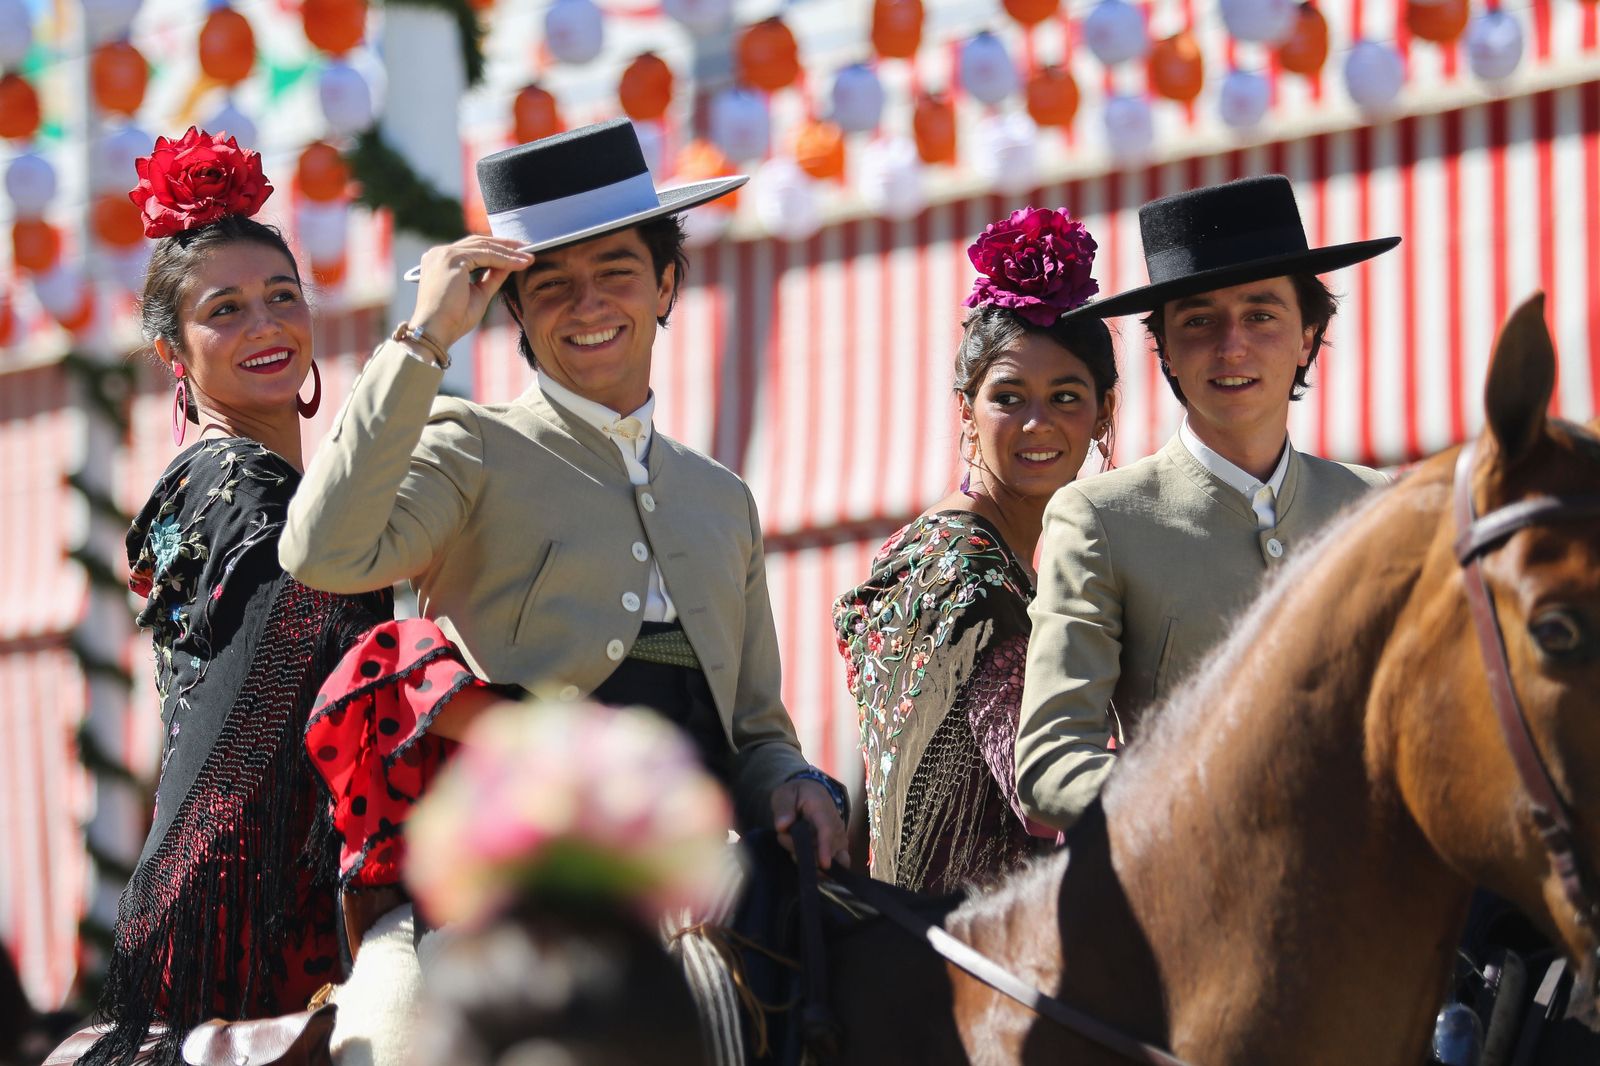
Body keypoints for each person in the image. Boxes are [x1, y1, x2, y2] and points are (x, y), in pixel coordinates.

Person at [278, 119, 847, 866]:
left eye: (616, 273)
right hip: (530, 871)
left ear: (666, 283)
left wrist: (789, 783)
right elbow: (324, 553)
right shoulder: (468, 446)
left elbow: (757, 734)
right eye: (550, 286)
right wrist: (424, 339)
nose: (587, 306)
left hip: (708, 868)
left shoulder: (722, 497)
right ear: (514, 308)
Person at [83, 129, 492, 1066]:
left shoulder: (253, 483)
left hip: (262, 874)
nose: (265, 325)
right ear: (171, 352)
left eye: (281, 297)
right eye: (224, 310)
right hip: (259, 902)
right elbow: (352, 675)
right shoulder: (235, 486)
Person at [1015, 174, 1397, 832]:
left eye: (1261, 314)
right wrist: (1210, 810)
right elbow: (1051, 761)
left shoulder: (1377, 506)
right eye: (1198, 320)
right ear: (1163, 347)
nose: (1231, 346)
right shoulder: (1102, 519)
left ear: (1308, 335)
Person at [833, 207, 1117, 893]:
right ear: (966, 411)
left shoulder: (977, 554)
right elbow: (1037, 786)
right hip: (964, 962)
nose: (1036, 423)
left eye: (1066, 397)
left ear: (1103, 414)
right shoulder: (961, 565)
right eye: (1008, 397)